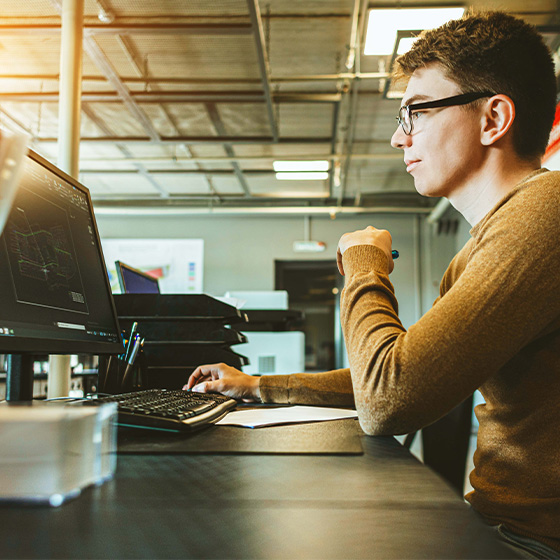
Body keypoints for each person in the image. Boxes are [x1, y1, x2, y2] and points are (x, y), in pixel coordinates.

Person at [185, 11, 560, 557]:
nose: (396, 136)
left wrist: (365, 266)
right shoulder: (497, 237)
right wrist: (258, 388)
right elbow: (403, 370)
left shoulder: (543, 216)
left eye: (416, 113)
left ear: (493, 118)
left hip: (529, 543)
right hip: (500, 527)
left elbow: (390, 398)